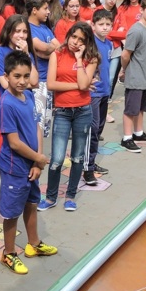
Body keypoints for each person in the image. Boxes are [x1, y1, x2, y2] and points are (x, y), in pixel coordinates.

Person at [0, 50, 53, 275]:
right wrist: (37, 158)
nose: (22, 81)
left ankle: (33, 243)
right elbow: (14, 143)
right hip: (14, 167)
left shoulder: (28, 96)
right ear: (7, 76)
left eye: (26, 76)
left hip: (31, 165)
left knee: (31, 203)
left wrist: (38, 162)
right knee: (11, 212)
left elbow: (37, 127)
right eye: (16, 76)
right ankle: (8, 254)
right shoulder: (6, 104)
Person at [42, 22, 98, 212]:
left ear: (87, 42)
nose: (76, 42)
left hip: (83, 110)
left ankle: (70, 196)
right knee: (57, 158)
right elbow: (51, 84)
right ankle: (50, 197)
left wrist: (79, 59)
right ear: (68, 35)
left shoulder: (91, 58)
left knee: (77, 157)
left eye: (81, 39)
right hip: (63, 112)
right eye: (74, 37)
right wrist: (78, 86)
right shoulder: (56, 54)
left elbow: (84, 83)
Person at [118, 0, 146, 153]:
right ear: (141, 10)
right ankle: (127, 138)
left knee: (141, 108)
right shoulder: (136, 30)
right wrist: (124, 70)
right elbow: (125, 55)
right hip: (136, 77)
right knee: (130, 109)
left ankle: (138, 133)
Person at [82, 9, 113, 185]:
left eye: (108, 24)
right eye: (101, 24)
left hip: (104, 92)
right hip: (92, 93)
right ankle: (87, 169)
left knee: (99, 130)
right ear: (93, 25)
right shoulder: (90, 44)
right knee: (92, 131)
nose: (105, 28)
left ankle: (91, 162)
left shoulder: (109, 44)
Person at [26, 0, 59, 144]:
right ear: (34, 10)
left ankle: (39, 153)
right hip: (36, 83)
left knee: (45, 123)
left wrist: (48, 52)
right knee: (36, 123)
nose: (48, 12)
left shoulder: (45, 28)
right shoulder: (28, 29)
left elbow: (58, 49)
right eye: (45, 9)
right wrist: (48, 50)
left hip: (48, 81)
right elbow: (42, 48)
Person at [0, 14, 38, 91]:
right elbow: (5, 84)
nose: (21, 35)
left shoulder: (27, 50)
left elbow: (34, 81)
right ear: (9, 32)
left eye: (25, 32)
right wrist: (30, 85)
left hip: (27, 98)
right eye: (17, 31)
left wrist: (26, 54)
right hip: (9, 99)